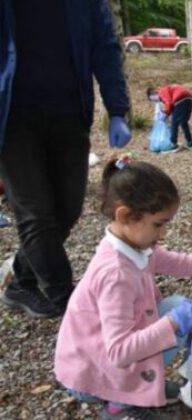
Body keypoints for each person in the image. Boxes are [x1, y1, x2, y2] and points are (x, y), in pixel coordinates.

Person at [54, 156, 192, 419]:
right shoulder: (116, 273)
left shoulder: (132, 245)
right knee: (176, 316)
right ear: (125, 215)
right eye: (159, 224)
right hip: (91, 374)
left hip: (99, 356)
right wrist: (174, 324)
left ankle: (138, 384)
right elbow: (119, 352)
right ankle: (120, 403)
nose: (163, 234)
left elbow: (178, 262)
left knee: (177, 307)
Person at [0, 0, 132, 319]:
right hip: (11, 118)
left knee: (68, 209)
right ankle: (68, 300)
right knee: (35, 212)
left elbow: (106, 47)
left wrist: (117, 110)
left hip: (69, 114)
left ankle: (21, 280)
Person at [147, 85, 192, 151]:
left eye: (154, 100)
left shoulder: (162, 91)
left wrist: (165, 114)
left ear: (154, 93)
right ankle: (189, 142)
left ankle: (173, 143)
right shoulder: (167, 90)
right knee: (183, 122)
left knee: (174, 123)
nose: (157, 101)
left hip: (179, 99)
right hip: (188, 99)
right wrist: (167, 114)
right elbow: (171, 107)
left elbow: (168, 102)